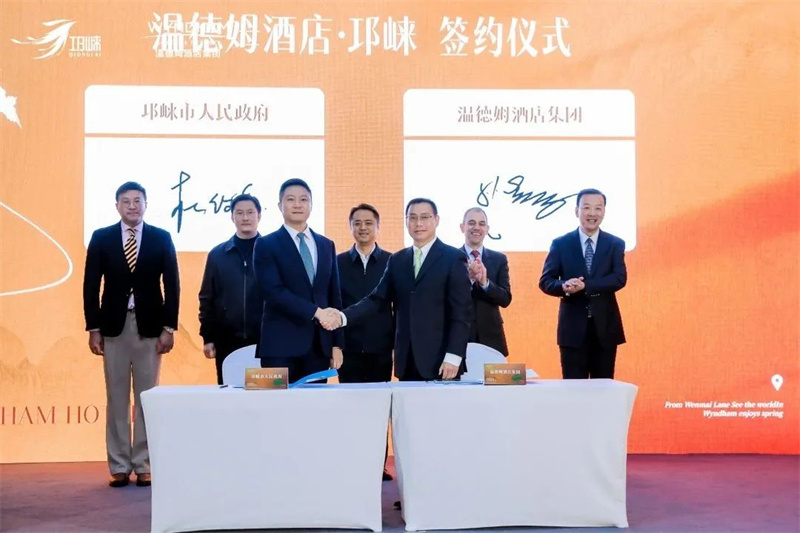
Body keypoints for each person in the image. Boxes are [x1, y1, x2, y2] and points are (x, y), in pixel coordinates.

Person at [83, 181, 180, 488]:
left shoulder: (161, 238)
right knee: (116, 397)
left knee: (147, 397)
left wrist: (169, 328)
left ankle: (144, 463)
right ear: (117, 206)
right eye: (126, 201)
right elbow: (90, 286)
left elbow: (172, 286)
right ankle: (119, 465)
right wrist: (93, 328)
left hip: (150, 328)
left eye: (138, 201)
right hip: (113, 327)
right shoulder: (101, 238)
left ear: (146, 204)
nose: (132, 206)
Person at [325, 198, 472, 381]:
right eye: (413, 218)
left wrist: (454, 356)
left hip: (442, 361)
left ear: (436, 220)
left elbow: (461, 313)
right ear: (406, 221)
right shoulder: (398, 260)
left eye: (424, 217)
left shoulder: (454, 258)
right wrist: (342, 317)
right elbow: (377, 299)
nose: (418, 223)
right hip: (407, 361)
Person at [253, 179, 343, 382]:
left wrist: (337, 344)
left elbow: (334, 295)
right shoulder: (266, 244)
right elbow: (273, 292)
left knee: (316, 402)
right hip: (279, 347)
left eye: (303, 200)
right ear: (280, 205)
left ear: (311, 205)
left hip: (318, 348)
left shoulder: (326, 245)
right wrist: (316, 312)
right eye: (290, 199)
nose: (297, 205)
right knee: (276, 402)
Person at [538, 188, 627, 379]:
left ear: (604, 212)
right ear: (576, 211)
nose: (592, 213)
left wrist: (587, 286)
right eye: (586, 208)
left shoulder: (615, 244)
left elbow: (619, 278)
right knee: (573, 389)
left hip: (605, 328)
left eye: (598, 208)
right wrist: (564, 286)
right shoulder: (561, 244)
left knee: (603, 388)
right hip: (572, 330)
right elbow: (546, 281)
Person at [336, 203, 394, 481]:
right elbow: (334, 305)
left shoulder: (392, 261)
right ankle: (354, 464)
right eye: (357, 223)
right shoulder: (337, 263)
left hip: (380, 349)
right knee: (351, 411)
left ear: (378, 227)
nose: (363, 228)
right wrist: (336, 345)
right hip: (349, 350)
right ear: (350, 227)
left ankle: (378, 465)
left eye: (368, 223)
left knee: (379, 410)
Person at [199, 193, 263, 384]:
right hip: (227, 341)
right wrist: (208, 337)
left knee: (265, 393)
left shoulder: (271, 252)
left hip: (265, 341)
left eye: (250, 212)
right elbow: (207, 298)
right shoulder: (218, 255)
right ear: (232, 217)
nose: (245, 218)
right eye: (239, 213)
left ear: (259, 216)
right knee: (230, 393)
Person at [459, 207, 512, 356]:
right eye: (471, 223)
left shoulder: (499, 259)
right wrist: (469, 280)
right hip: (459, 336)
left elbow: (505, 299)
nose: (477, 227)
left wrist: (485, 283)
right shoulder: (451, 258)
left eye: (481, 224)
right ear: (462, 227)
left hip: (492, 337)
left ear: (487, 229)